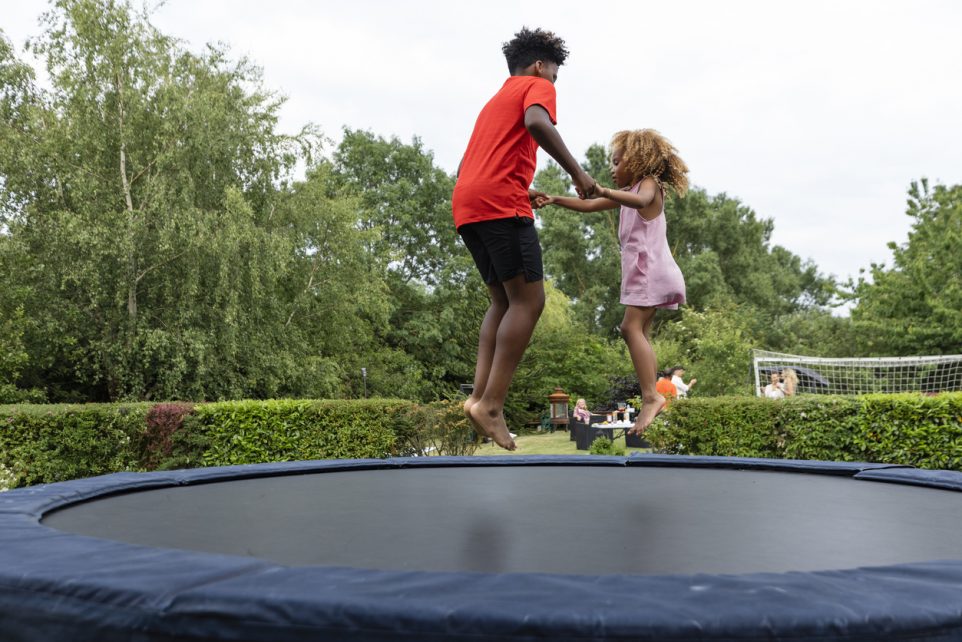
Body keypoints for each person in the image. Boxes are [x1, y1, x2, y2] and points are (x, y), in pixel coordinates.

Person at [454, 28, 597, 451]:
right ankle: (492, 405)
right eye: (554, 73)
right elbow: (537, 122)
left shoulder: (493, 102)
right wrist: (578, 173)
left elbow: (470, 162)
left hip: (468, 204)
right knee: (530, 301)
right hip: (500, 205)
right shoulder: (536, 86)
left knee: (501, 301)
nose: (553, 82)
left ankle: (478, 399)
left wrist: (519, 185)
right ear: (539, 66)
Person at [536, 129, 689, 434]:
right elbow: (590, 205)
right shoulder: (631, 191)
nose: (612, 168)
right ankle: (652, 395)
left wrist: (605, 190)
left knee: (629, 328)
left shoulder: (648, 186)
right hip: (646, 273)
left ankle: (651, 396)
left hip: (650, 272)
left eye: (617, 162)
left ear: (637, 160)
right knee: (640, 332)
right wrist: (553, 199)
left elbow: (639, 199)